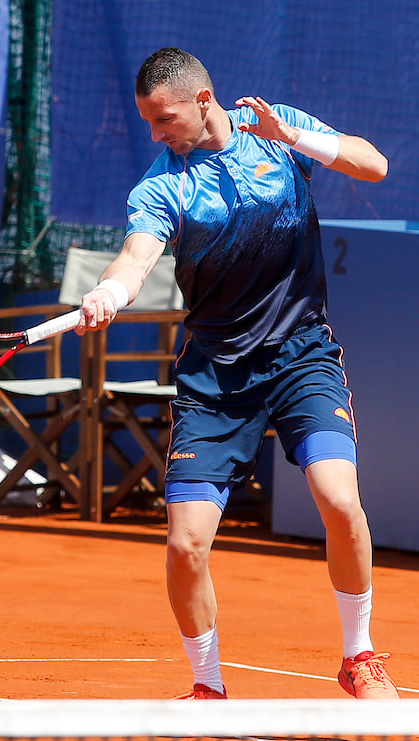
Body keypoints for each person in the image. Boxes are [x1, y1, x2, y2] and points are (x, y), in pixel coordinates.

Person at [76, 47, 397, 700]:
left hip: (303, 358)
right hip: (216, 382)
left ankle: (359, 657)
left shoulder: (273, 128)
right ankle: (208, 689)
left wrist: (294, 136)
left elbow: (375, 166)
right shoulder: (160, 185)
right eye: (149, 123)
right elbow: (136, 257)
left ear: (203, 100)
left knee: (340, 501)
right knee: (186, 546)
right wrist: (112, 289)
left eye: (163, 118)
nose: (157, 133)